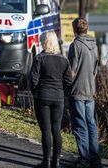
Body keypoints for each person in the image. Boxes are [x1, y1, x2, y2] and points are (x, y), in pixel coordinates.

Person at [30, 32, 72, 168]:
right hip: (58, 97)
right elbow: (68, 80)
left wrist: (35, 92)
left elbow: (33, 80)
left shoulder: (39, 58)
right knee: (56, 130)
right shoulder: (64, 60)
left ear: (43, 43)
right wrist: (60, 90)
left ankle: (46, 161)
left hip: (42, 96)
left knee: (46, 130)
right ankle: (57, 161)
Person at [68, 18, 101, 168]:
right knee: (91, 124)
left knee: (80, 125)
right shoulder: (94, 45)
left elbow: (72, 72)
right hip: (90, 90)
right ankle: (95, 158)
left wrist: (65, 85)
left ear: (75, 29)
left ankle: (84, 159)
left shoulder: (75, 45)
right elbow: (95, 71)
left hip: (77, 90)